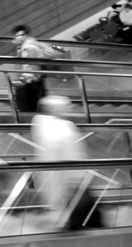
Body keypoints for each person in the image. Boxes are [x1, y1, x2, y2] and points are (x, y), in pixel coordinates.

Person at [31, 95, 91, 228]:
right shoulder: (62, 127)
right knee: (80, 211)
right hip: (71, 178)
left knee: (72, 210)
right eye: (66, 106)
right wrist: (79, 174)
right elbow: (72, 153)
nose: (69, 109)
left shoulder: (41, 125)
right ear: (53, 109)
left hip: (60, 178)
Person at [12, 25, 58, 111]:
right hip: (35, 80)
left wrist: (23, 79)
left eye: (17, 36)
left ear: (23, 35)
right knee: (39, 102)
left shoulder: (29, 47)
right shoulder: (26, 45)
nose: (15, 39)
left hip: (33, 81)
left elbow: (31, 66)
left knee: (35, 105)